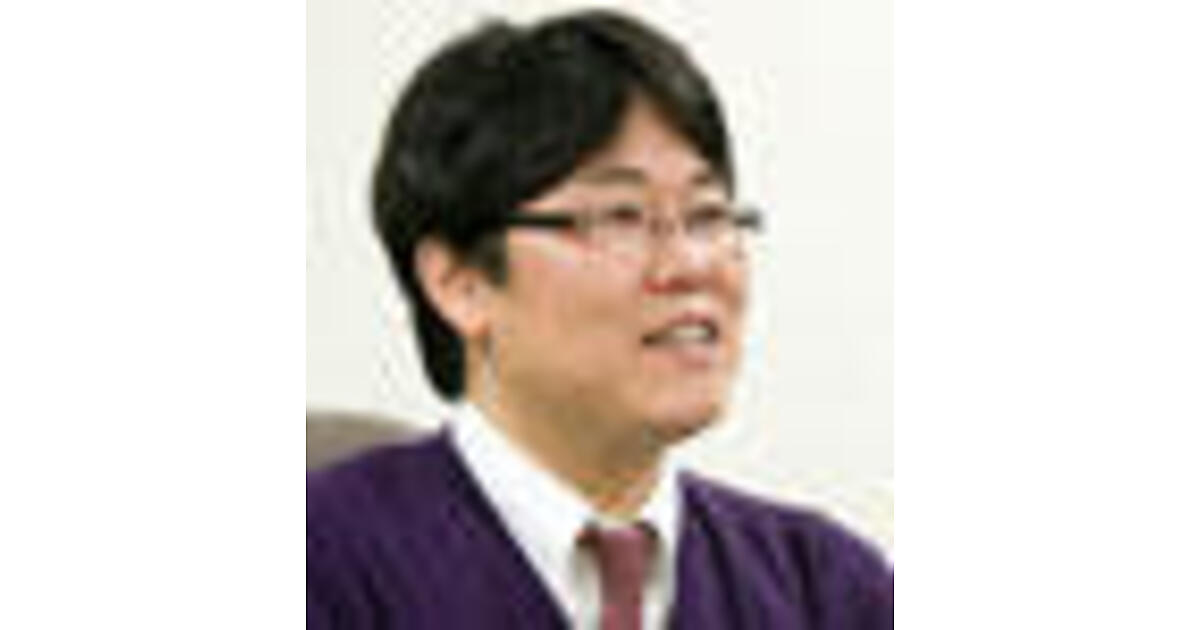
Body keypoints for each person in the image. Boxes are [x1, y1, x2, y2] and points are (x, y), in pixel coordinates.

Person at [307, 9, 892, 629]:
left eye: (707, 215)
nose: (691, 265)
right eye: (621, 217)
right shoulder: (319, 565)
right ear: (459, 282)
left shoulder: (828, 588)